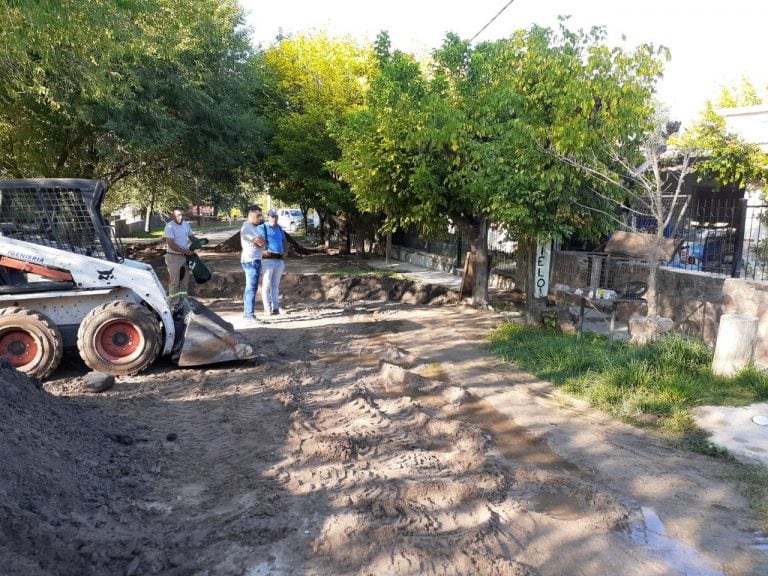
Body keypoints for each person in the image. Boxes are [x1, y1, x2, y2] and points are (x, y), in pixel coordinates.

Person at [164, 207, 200, 309]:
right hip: (174, 257)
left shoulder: (186, 225)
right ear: (173, 216)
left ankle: (183, 301)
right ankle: (173, 304)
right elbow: (171, 245)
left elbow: (191, 237)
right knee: (174, 281)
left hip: (185, 256)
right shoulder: (170, 226)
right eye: (178, 215)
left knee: (184, 281)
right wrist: (186, 251)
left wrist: (199, 241)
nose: (181, 217)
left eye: (182, 215)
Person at [256, 209, 286, 316]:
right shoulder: (262, 228)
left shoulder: (280, 228)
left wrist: (285, 251)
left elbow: (283, 241)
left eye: (276, 217)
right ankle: (267, 308)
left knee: (275, 286)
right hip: (268, 261)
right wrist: (261, 251)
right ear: (268, 217)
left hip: (279, 260)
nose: (274, 218)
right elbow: (253, 240)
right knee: (266, 285)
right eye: (272, 216)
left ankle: (276, 308)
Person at [240, 205, 264, 323]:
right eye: (258, 216)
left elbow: (260, 242)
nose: (260, 218)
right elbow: (261, 242)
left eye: (261, 215)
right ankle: (249, 316)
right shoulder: (248, 228)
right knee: (251, 288)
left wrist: (261, 242)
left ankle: (247, 314)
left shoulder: (254, 227)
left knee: (250, 288)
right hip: (251, 261)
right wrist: (262, 242)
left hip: (254, 260)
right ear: (250, 215)